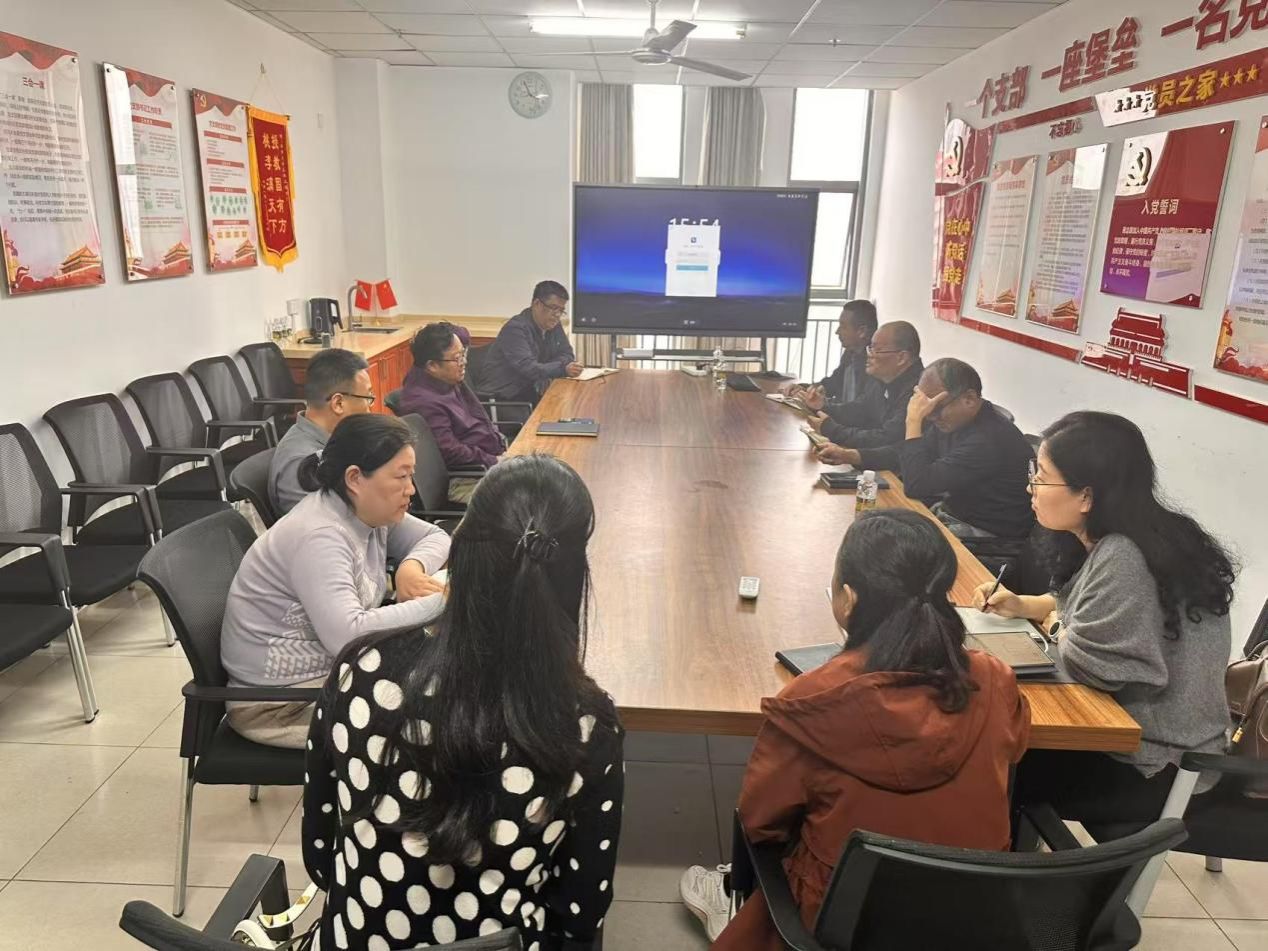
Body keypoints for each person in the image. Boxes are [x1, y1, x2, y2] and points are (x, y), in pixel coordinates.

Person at [303, 454, 624, 950]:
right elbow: (580, 913)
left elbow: (321, 857)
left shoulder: (358, 671)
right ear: (572, 572)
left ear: (462, 552)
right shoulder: (584, 724)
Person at [682, 509, 1030, 947]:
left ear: (847, 598)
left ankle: (729, 897)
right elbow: (1015, 746)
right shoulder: (993, 678)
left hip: (843, 920)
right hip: (974, 915)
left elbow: (760, 822)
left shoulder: (814, 699)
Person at [975, 411, 1235, 830]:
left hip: (1154, 764)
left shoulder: (1125, 555)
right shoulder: (1141, 535)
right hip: (1150, 742)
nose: (1030, 486)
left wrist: (1057, 625)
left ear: (1086, 496)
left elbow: (1096, 668)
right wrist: (1025, 605)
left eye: (1041, 477)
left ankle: (1003, 864)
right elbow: (1085, 606)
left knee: (989, 755)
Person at [222, 415, 451, 749]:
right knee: (445, 722)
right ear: (355, 478)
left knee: (451, 680)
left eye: (411, 475)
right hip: (281, 706)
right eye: (401, 476)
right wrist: (445, 602)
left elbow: (436, 536)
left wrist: (411, 568)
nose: (411, 489)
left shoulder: (364, 509)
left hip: (336, 675)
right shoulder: (320, 536)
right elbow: (348, 634)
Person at [898, 357, 1034, 540]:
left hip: (987, 535)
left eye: (936, 408)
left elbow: (917, 485)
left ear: (969, 399)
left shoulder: (988, 439)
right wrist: (860, 456)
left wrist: (913, 421)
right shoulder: (954, 421)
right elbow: (914, 459)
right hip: (954, 514)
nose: (930, 416)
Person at [399, 322, 507, 503]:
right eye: (457, 358)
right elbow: (450, 451)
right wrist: (493, 460)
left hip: (485, 463)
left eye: (463, 354)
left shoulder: (444, 377)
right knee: (530, 497)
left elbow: (462, 334)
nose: (464, 362)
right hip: (464, 479)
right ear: (432, 365)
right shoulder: (423, 401)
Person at [269, 348, 375, 515]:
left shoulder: (340, 440)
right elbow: (321, 526)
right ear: (338, 403)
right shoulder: (302, 464)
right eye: (368, 398)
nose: (370, 409)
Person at [812, 321, 924, 470]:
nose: (868, 355)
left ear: (901, 357)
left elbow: (887, 438)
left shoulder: (919, 391)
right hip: (875, 461)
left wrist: (833, 430)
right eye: (870, 348)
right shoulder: (882, 379)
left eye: (876, 350)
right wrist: (823, 406)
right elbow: (860, 410)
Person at [480, 280, 584, 406]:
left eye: (561, 310)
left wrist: (552, 367)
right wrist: (562, 368)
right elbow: (529, 368)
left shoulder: (553, 324)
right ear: (537, 304)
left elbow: (567, 354)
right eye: (553, 308)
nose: (557, 315)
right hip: (505, 399)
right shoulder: (515, 328)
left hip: (532, 392)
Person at [783, 299, 878, 409]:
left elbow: (861, 409)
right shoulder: (851, 352)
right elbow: (832, 384)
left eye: (843, 326)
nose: (837, 332)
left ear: (862, 331)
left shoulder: (876, 363)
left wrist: (824, 407)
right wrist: (804, 388)